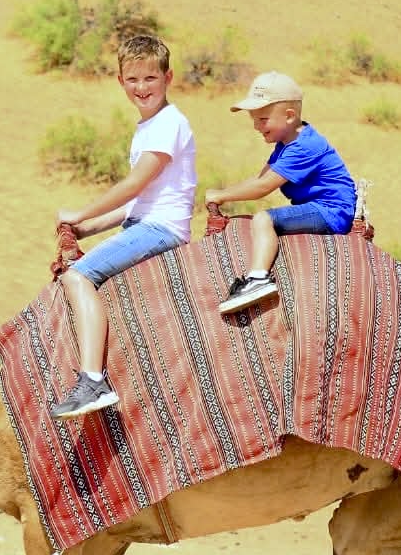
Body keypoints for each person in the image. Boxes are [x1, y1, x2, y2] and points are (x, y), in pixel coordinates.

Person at [50, 34, 197, 419]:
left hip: (161, 229)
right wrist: (88, 229)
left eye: (150, 78)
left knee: (78, 277)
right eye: (133, 80)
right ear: (120, 81)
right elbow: (137, 201)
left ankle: (92, 381)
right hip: (145, 222)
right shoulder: (148, 127)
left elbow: (134, 185)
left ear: (169, 77)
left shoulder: (168, 124)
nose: (141, 88)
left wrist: (80, 214)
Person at [204, 71, 357, 314]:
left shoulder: (303, 147)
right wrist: (222, 192)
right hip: (319, 206)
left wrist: (222, 196)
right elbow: (260, 178)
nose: (256, 126)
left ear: (289, 116)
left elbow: (263, 187)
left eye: (263, 118)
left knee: (264, 219)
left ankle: (258, 279)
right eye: (254, 119)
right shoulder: (286, 143)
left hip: (330, 210)